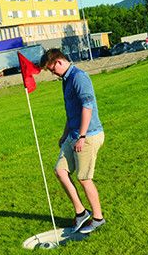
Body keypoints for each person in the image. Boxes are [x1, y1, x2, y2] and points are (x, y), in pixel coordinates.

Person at [40, 49, 105, 233]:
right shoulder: (66, 80)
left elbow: (87, 107)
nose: (52, 73)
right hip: (73, 134)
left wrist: (82, 136)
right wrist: (65, 134)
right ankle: (81, 212)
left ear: (59, 61)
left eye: (52, 69)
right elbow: (72, 112)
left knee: (84, 178)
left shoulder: (79, 77)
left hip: (88, 135)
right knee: (60, 171)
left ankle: (98, 218)